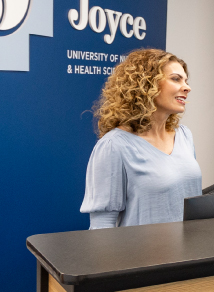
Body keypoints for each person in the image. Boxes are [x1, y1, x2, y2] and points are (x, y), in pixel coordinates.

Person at [80, 49, 201, 229]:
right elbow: (102, 226)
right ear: (146, 84)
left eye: (186, 80)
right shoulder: (114, 145)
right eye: (176, 79)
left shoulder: (184, 135)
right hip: (140, 256)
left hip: (190, 253)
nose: (187, 87)